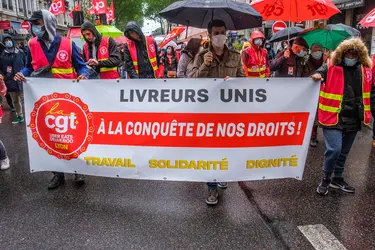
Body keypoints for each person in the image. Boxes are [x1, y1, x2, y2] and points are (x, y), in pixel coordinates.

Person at [14, 10, 89, 190]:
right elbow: (27, 67)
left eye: (38, 23)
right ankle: (57, 173)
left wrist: (84, 75)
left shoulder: (68, 44)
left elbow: (81, 67)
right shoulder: (32, 44)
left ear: (47, 23)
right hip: (45, 101)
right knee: (52, 137)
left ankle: (78, 169)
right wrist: (21, 74)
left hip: (68, 99)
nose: (35, 27)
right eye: (34, 24)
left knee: (72, 134)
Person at [312, 38, 375, 196]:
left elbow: (371, 93)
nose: (351, 57)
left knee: (344, 152)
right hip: (333, 116)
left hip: (353, 117)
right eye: (348, 54)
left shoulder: (365, 70)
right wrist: (318, 75)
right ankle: (325, 179)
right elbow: (320, 71)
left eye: (354, 55)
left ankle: (337, 178)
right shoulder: (331, 66)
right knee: (334, 149)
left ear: (360, 55)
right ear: (342, 54)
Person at [192, 19, 245, 205]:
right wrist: (205, 66)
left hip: (228, 112)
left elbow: (244, 80)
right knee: (210, 150)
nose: (219, 36)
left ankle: (221, 174)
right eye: (216, 33)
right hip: (207, 113)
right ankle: (212, 187)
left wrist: (235, 82)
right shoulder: (200, 57)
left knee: (225, 148)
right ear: (209, 35)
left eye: (222, 32)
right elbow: (191, 83)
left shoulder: (236, 56)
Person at [0, 35, 26, 124]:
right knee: (15, 99)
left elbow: (26, 63)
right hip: (10, 80)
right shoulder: (3, 54)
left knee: (26, 98)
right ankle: (20, 115)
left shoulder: (20, 52)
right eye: (6, 41)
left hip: (21, 78)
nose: (8, 42)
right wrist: (4, 76)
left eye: (9, 40)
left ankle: (32, 114)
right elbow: (1, 68)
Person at [303, 44, 324, 147]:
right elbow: (303, 76)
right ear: (311, 51)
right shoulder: (306, 63)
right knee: (313, 116)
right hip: (311, 93)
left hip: (324, 92)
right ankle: (313, 136)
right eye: (315, 50)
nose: (317, 52)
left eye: (319, 50)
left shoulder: (326, 62)